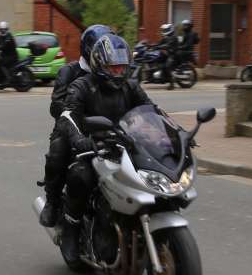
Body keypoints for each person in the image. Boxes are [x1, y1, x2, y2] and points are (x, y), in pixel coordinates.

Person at [51, 34, 161, 254]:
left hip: (126, 145)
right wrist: (80, 139)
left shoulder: (131, 86)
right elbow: (67, 116)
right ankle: (71, 229)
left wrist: (173, 134)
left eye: (122, 67)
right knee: (80, 176)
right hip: (93, 147)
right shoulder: (82, 86)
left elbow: (151, 111)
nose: (118, 72)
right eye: (113, 68)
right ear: (100, 65)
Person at [38, 24, 111, 227]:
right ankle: (52, 202)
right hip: (72, 129)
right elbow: (56, 106)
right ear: (89, 49)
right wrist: (81, 114)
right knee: (58, 151)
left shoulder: (110, 72)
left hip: (106, 129)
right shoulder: (69, 72)